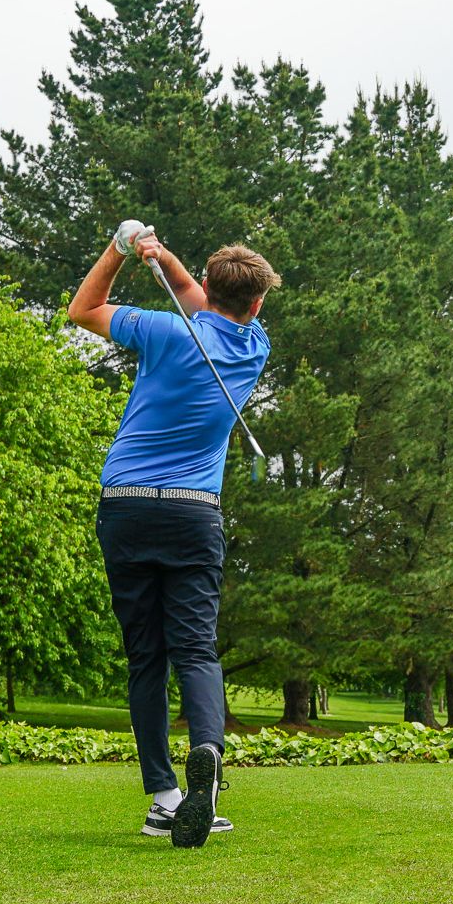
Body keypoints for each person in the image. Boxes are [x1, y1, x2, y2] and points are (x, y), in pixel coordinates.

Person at [67, 225, 280, 848]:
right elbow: (196, 293)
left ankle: (164, 795)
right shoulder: (254, 345)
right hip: (194, 512)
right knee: (195, 649)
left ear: (211, 287)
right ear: (257, 303)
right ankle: (207, 758)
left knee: (146, 657)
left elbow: (83, 310)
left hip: (128, 505)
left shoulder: (162, 331)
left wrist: (119, 248)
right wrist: (160, 258)